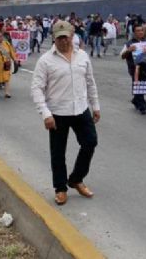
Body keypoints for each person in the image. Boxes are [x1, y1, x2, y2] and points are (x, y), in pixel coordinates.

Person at [31, 20, 100, 206]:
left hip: (81, 109)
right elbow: (37, 88)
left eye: (66, 37)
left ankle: (76, 179)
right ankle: (60, 188)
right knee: (58, 153)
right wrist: (45, 113)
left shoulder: (83, 56)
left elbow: (90, 82)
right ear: (54, 37)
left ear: (72, 36)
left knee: (90, 142)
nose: (63, 41)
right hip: (57, 113)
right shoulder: (45, 60)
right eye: (59, 37)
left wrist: (95, 105)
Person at [122, 24, 146, 115]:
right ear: (134, 33)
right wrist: (129, 50)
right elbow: (123, 56)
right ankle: (142, 106)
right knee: (138, 85)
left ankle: (135, 100)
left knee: (142, 85)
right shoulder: (129, 43)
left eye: (141, 30)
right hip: (134, 68)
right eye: (138, 31)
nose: (140, 32)